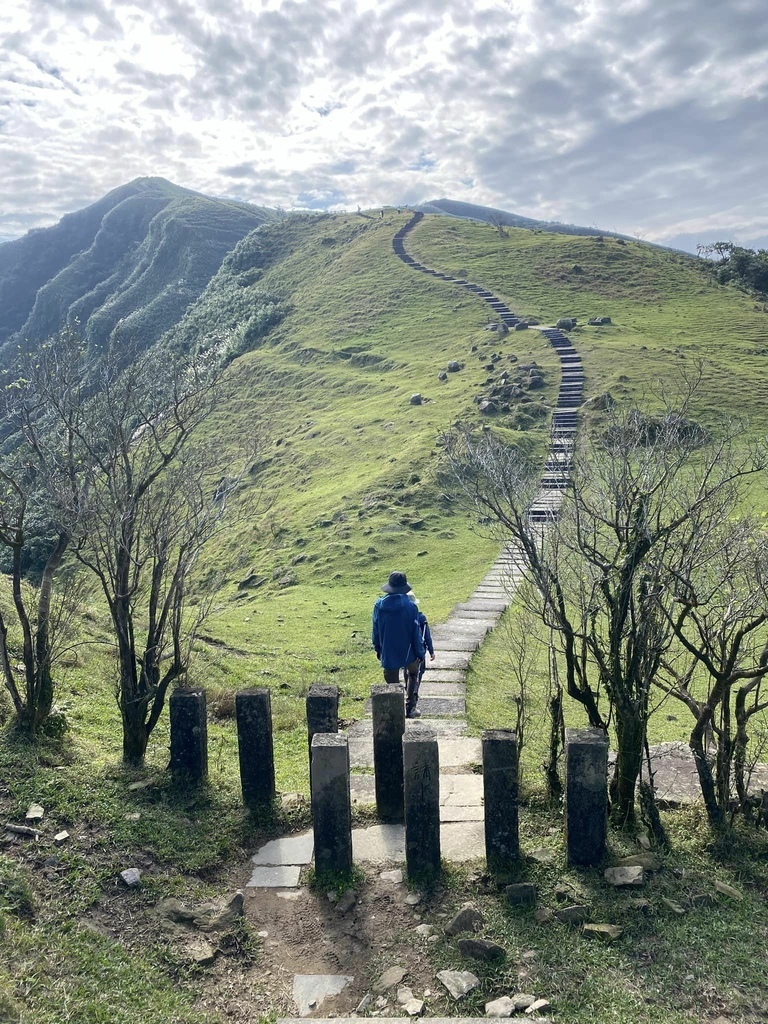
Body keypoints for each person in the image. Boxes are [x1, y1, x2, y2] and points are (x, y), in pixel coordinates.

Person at [372, 570, 424, 718]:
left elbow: (375, 629)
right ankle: (410, 707)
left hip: (388, 651)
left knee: (392, 683)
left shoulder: (379, 605)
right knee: (413, 673)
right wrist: (419, 652)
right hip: (408, 651)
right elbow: (416, 632)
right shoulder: (410, 607)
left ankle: (395, 709)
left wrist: (378, 647)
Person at [402, 591, 434, 717]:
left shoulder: (403, 618)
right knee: (416, 675)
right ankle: (412, 703)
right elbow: (427, 636)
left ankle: (407, 693)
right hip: (418, 651)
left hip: (406, 651)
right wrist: (431, 650)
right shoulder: (421, 618)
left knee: (407, 673)